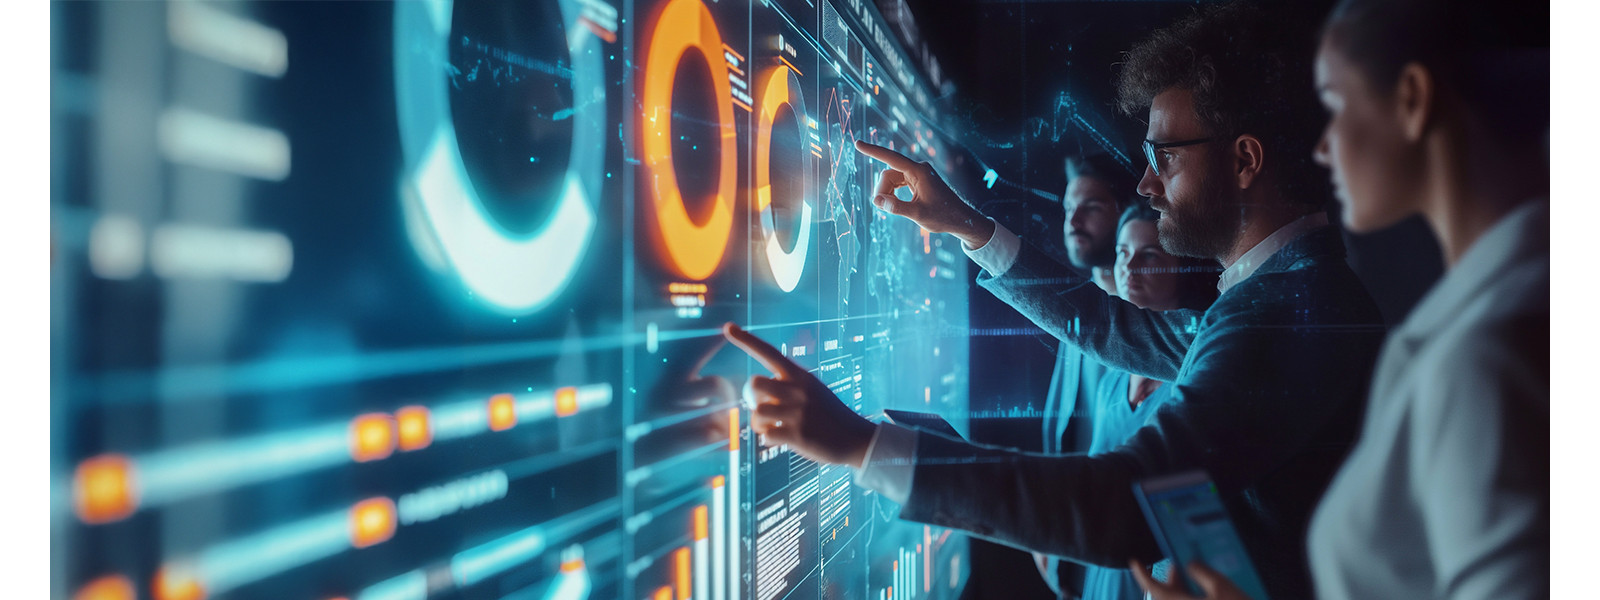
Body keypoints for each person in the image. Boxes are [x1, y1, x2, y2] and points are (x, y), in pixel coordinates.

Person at [722, 3, 1388, 598]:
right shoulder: (1281, 292)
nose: (1148, 185)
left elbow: (1130, 501)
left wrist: (863, 447)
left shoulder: (1288, 311)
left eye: (1167, 156)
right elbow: (1106, 324)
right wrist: (968, 225)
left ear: (1245, 160)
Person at [1132, 0, 1550, 598]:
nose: (1323, 148)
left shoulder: (1486, 356)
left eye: (1335, 105)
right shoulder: (1487, 319)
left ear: (1411, 98)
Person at [1065, 202, 1219, 600]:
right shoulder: (1110, 381)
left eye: (1149, 255)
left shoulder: (1197, 378)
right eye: (1122, 253)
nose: (1129, 269)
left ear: (1183, 267)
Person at [1032, 155, 1138, 599]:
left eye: (1091, 206)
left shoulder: (1145, 329)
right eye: (1067, 208)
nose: (1073, 221)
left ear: (1124, 210)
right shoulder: (1075, 323)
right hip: (1071, 561)